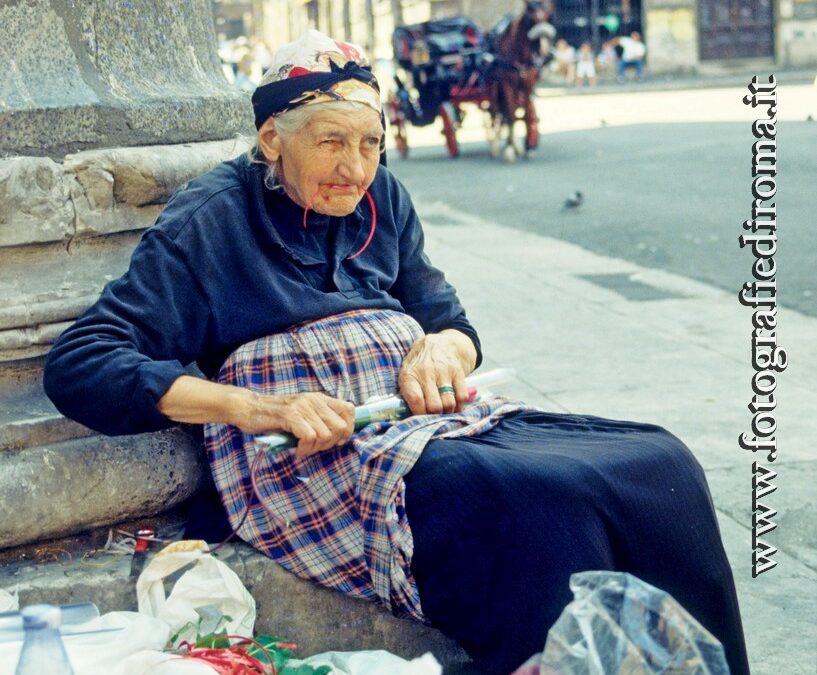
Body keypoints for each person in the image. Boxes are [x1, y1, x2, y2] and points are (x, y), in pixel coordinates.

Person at [43, 29, 750, 675]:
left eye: (370, 143)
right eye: (330, 143)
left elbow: (450, 321)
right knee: (536, 501)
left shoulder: (382, 197)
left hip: (429, 422)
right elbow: (82, 363)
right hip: (321, 457)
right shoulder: (213, 217)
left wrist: (440, 350)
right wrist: (254, 405)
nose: (355, 169)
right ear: (270, 138)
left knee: (657, 463)